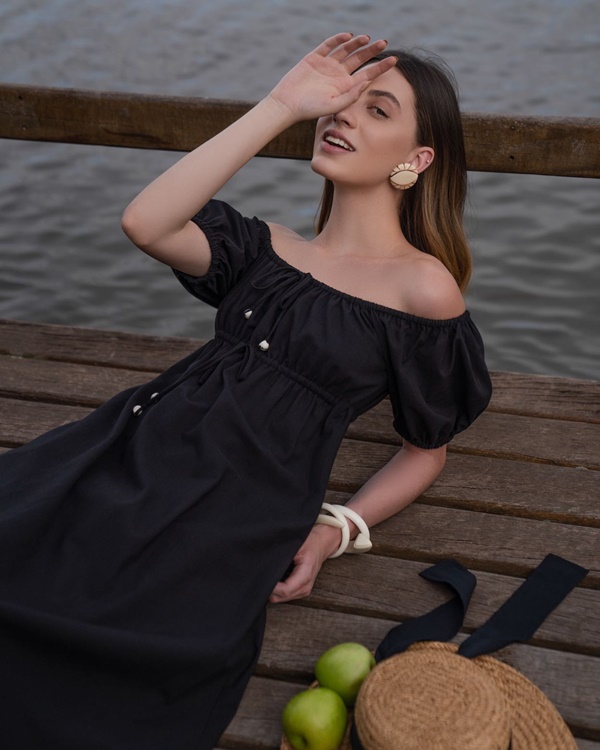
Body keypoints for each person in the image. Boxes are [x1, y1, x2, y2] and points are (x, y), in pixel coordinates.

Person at [0, 33, 492, 749]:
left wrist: (335, 531)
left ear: (417, 160)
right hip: (129, 449)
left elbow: (427, 449)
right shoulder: (264, 248)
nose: (343, 117)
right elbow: (147, 221)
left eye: (376, 110)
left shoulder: (422, 288)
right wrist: (280, 104)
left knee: (107, 676)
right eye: (340, 105)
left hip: (236, 509)